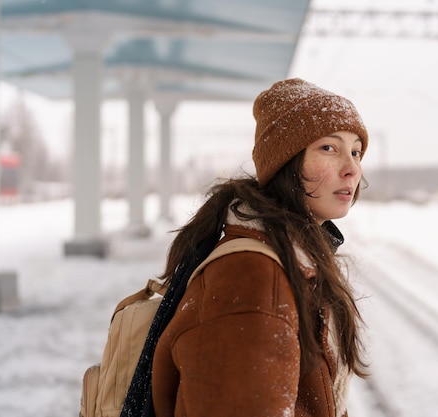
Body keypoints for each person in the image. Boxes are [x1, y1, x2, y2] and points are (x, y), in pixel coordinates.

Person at [124, 78, 369, 417]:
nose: (352, 169)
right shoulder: (253, 278)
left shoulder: (289, 259)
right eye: (329, 148)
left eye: (356, 152)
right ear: (286, 162)